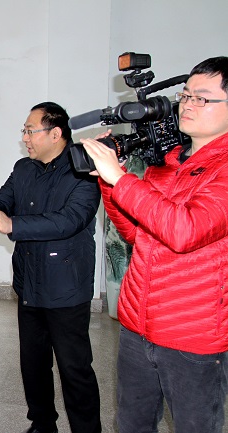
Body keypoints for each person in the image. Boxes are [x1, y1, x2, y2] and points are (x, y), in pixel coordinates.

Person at [80, 57, 228, 432]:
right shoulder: (169, 163)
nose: (188, 104)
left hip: (192, 335)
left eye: (202, 98)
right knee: (131, 424)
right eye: (186, 95)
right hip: (138, 325)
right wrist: (110, 181)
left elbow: (184, 232)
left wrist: (122, 181)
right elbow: (137, 233)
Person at [0, 102, 102, 433]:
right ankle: (42, 424)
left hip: (66, 287)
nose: (25, 138)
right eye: (24, 131)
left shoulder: (83, 169)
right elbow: (4, 198)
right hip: (29, 282)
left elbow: (70, 220)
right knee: (33, 363)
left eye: (30, 131)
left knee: (74, 369)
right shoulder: (24, 168)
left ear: (56, 134)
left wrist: (12, 224)